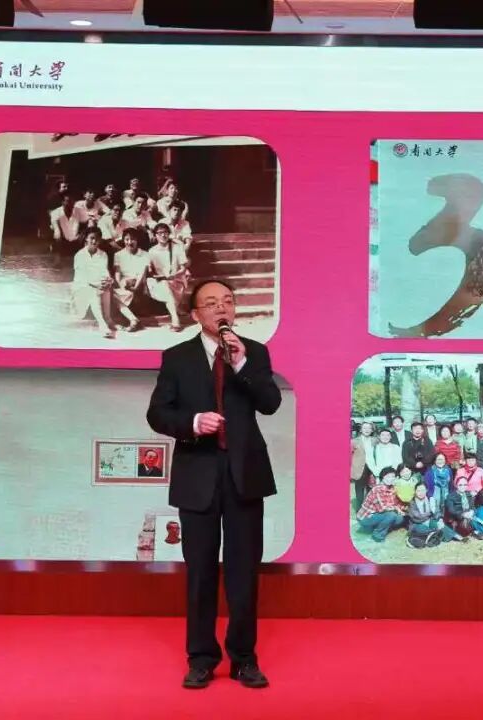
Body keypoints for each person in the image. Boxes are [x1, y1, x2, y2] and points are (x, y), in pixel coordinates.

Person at [146, 279, 282, 690]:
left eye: (227, 301)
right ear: (195, 314)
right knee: (200, 571)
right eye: (211, 303)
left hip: (245, 475)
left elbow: (270, 403)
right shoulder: (176, 358)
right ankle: (201, 657)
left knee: (244, 571)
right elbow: (157, 414)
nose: (221, 308)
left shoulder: (253, 352)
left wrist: (241, 365)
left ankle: (244, 658)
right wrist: (192, 422)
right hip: (198, 474)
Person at [71, 227, 116, 339]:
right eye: (92, 238)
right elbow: (81, 277)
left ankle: (108, 318)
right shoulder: (80, 255)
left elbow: (104, 271)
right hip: (81, 287)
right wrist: (96, 284)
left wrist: (108, 280)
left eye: (97, 239)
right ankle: (102, 324)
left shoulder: (103, 254)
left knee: (106, 286)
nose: (94, 241)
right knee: (93, 291)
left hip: (97, 285)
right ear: (86, 239)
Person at [146, 223, 188, 332]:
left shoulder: (177, 247)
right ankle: (175, 319)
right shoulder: (151, 251)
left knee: (167, 289)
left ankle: (175, 312)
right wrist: (153, 273)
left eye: (165, 232)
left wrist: (174, 275)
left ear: (169, 234)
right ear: (155, 235)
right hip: (159, 283)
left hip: (176, 280)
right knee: (164, 286)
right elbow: (149, 270)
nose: (163, 235)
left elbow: (183, 268)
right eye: (160, 233)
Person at [109, 227, 149, 333]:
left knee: (117, 295)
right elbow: (117, 273)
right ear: (123, 240)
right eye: (127, 239)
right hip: (125, 284)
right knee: (112, 294)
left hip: (139, 283)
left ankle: (133, 319)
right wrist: (121, 285)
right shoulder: (118, 255)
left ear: (137, 240)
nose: (130, 242)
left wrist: (135, 287)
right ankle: (133, 319)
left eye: (133, 239)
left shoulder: (145, 254)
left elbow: (142, 274)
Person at [357, 467, 406, 543]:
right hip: (366, 518)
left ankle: (379, 527)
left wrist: (403, 509)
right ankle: (378, 535)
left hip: (378, 515)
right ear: (383, 477)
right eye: (388, 477)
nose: (391, 479)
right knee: (392, 515)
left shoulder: (392, 488)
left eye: (393, 477)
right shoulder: (377, 489)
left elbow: (396, 503)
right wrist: (397, 509)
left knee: (400, 518)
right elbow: (383, 508)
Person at [350, 422, 375, 511]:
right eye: (364, 428)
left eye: (369, 428)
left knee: (371, 491)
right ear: (361, 430)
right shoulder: (354, 441)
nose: (367, 430)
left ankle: (369, 510)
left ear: (372, 430)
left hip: (372, 468)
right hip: (360, 469)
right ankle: (359, 511)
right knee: (359, 492)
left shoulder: (375, 440)